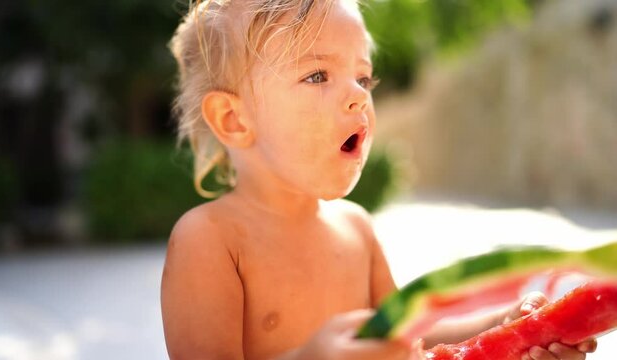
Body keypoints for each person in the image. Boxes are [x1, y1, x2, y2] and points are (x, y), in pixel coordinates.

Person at [160, 0, 598, 359]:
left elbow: (410, 337)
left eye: (363, 77)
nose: (358, 95)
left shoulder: (356, 229)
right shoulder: (210, 240)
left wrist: (507, 326)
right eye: (317, 75)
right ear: (234, 119)